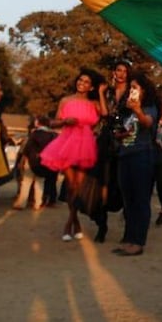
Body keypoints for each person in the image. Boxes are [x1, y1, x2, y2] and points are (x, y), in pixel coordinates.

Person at [40, 69, 107, 241]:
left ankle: (70, 222)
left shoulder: (94, 104)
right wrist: (64, 121)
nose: (81, 83)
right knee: (71, 185)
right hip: (67, 143)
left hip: (86, 145)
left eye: (86, 82)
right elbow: (53, 123)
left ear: (91, 87)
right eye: (80, 80)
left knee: (78, 185)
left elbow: (105, 114)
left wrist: (100, 92)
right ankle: (73, 222)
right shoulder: (65, 100)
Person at [112, 71, 159, 256]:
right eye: (130, 88)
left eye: (135, 87)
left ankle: (138, 241)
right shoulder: (127, 111)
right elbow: (124, 131)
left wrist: (138, 109)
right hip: (125, 155)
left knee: (140, 199)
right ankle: (128, 238)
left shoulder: (149, 108)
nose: (131, 90)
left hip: (142, 155)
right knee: (128, 200)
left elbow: (147, 123)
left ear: (144, 90)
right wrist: (120, 133)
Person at [14, 115, 57, 210]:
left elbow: (27, 148)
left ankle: (22, 203)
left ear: (38, 123)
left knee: (26, 182)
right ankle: (38, 203)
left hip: (31, 160)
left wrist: (22, 160)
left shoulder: (34, 134)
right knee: (40, 182)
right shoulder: (53, 135)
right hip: (44, 161)